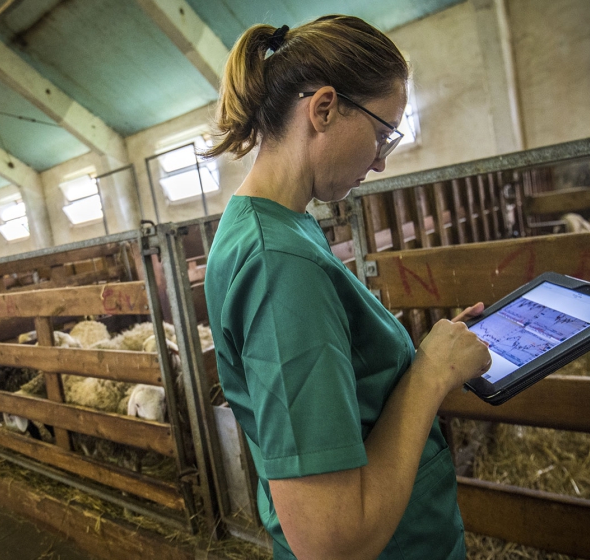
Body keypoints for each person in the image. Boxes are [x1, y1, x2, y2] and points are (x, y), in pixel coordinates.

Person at [203, 16, 492, 560]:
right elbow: (329, 541)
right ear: (325, 109)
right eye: (383, 133)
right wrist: (431, 373)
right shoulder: (277, 262)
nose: (381, 161)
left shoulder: (270, 226)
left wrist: (430, 354)